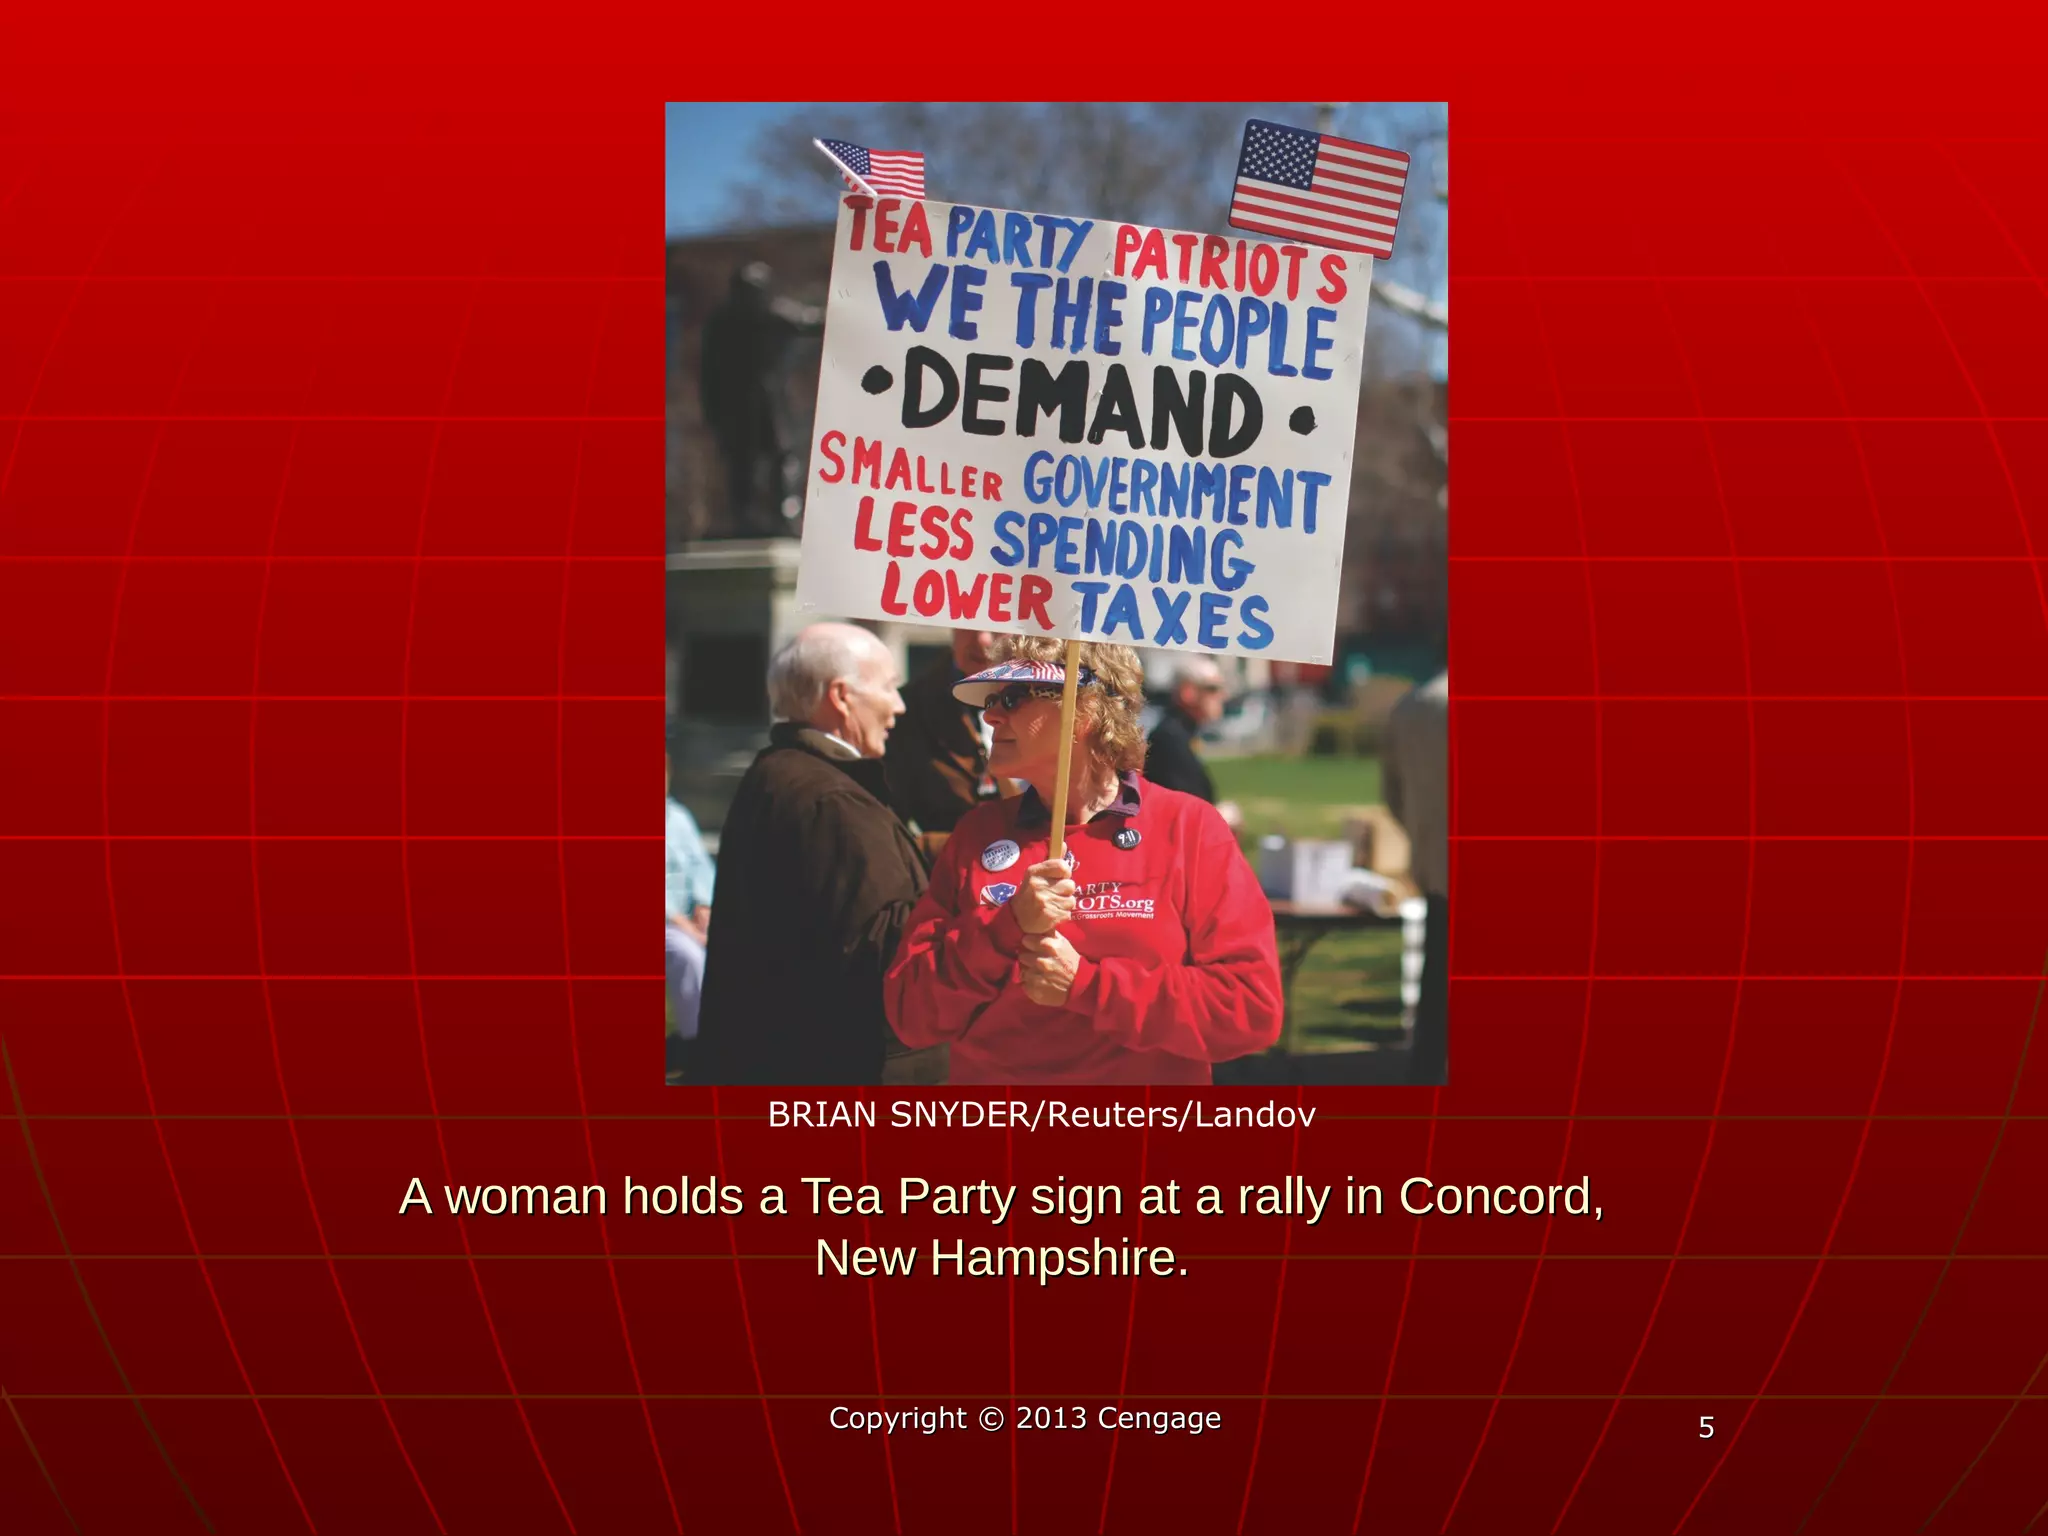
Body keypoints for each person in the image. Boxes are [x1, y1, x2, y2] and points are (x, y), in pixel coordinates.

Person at [885, 637, 1283, 1084]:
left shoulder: (1189, 828)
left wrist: (1087, 986)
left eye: (1013, 698)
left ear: (1085, 711)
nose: (991, 715)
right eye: (993, 700)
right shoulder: (977, 834)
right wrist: (1004, 929)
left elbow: (1249, 1010)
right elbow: (910, 1014)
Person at [695, 623, 940, 1084]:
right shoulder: (832, 799)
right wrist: (984, 904)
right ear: (842, 696)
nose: (899, 705)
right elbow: (884, 951)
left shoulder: (782, 772)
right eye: (889, 687)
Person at [1383, 669, 1448, 1085]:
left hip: (1435, 864)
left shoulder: (1412, 704)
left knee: (1436, 985)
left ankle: (1426, 1073)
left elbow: (1392, 793)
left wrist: (1423, 837)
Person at [885, 628, 999, 863]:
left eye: (1001, 627)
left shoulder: (1061, 704)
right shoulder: (905, 712)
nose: (982, 639)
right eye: (971, 621)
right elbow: (887, 833)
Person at [1144, 657, 1243, 829]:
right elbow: (1186, 809)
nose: (1223, 695)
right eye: (1212, 689)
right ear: (1187, 692)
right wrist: (1222, 816)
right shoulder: (1170, 739)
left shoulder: (1181, 734)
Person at [665, 757, 715, 1055]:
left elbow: (700, 865)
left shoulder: (679, 817)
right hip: (667, 924)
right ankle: (695, 1043)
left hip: (687, 918)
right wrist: (680, 923)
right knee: (688, 956)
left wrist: (703, 905)